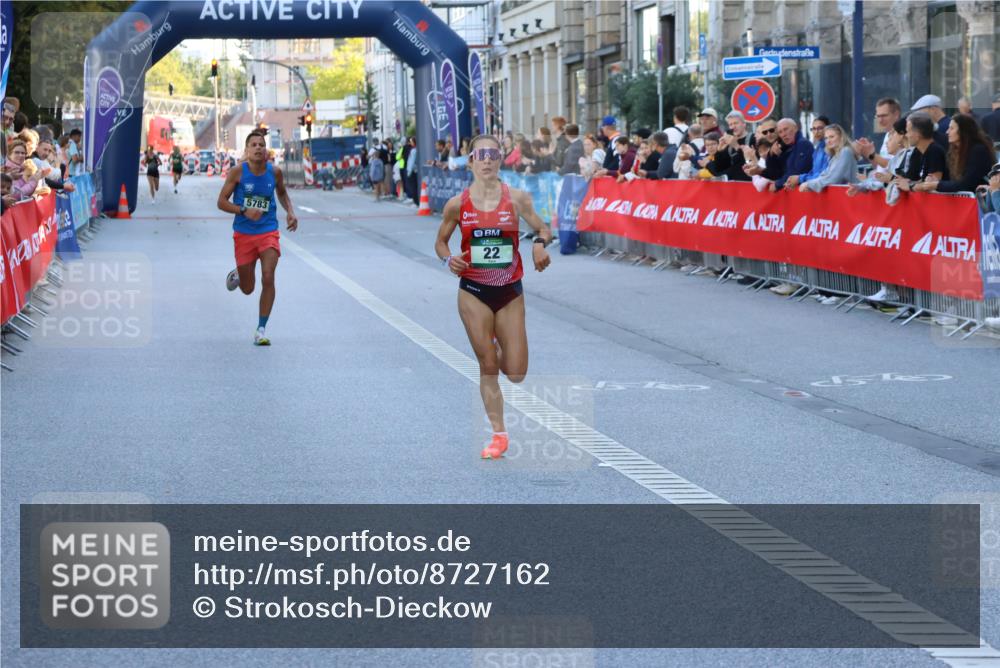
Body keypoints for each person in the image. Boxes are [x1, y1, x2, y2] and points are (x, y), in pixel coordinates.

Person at [434, 134, 552, 459]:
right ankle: (499, 435)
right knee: (487, 365)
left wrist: (539, 245)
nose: (487, 160)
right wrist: (448, 259)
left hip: (509, 292)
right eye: (480, 154)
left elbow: (544, 229)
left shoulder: (517, 199)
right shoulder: (457, 205)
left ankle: (499, 343)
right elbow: (441, 242)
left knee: (515, 373)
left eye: (493, 154)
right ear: (470, 161)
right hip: (473, 291)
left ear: (500, 160)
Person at [218, 130, 298, 346]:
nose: (258, 148)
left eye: (261, 144)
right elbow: (221, 202)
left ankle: (261, 329)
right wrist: (243, 210)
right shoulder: (237, 173)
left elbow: (281, 193)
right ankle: (238, 273)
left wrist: (290, 211)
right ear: (247, 150)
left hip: (268, 231)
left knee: (268, 276)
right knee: (248, 289)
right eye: (253, 144)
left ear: (266, 149)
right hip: (244, 234)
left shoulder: (275, 172)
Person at [913, 113, 996, 194]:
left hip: (981, 201)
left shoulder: (978, 151)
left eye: (952, 128)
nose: (947, 132)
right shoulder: (954, 151)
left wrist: (937, 184)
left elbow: (966, 183)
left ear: (963, 131)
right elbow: (953, 181)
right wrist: (935, 181)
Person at [894, 112, 948, 194]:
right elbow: (917, 180)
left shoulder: (935, 151)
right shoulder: (919, 151)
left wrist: (910, 186)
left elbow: (932, 185)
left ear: (918, 134)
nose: (906, 135)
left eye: (908, 131)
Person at [798, 124, 858, 192]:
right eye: (826, 138)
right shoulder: (834, 156)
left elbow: (834, 178)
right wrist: (809, 183)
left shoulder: (845, 151)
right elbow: (824, 175)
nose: (828, 141)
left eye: (832, 137)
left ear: (841, 137)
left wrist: (809, 184)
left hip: (850, 197)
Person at [854, 97, 902, 178]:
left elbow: (894, 167)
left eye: (884, 115)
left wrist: (872, 154)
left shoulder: (902, 135)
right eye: (878, 116)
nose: (880, 120)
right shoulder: (887, 134)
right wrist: (869, 155)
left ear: (896, 115)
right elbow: (880, 168)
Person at [787, 116, 829, 190]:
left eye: (820, 128)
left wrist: (800, 178)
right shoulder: (818, 148)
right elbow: (813, 172)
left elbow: (824, 175)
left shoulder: (830, 149)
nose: (816, 132)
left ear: (828, 129)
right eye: (813, 129)